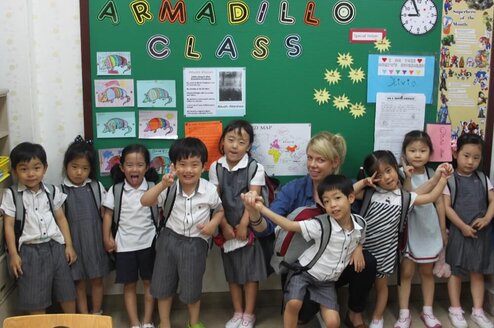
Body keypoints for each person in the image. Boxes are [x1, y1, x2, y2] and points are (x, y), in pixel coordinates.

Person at [247, 131, 376, 328]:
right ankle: (317, 303)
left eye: (320, 160)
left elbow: (357, 224)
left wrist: (358, 246)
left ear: (334, 162)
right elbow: (268, 229)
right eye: (309, 158)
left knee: (367, 261)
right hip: (303, 267)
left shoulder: (347, 188)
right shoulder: (294, 189)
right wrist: (255, 213)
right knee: (301, 315)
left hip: (336, 264)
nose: (312, 165)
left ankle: (354, 314)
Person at [242, 174, 365, 328]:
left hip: (326, 281)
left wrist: (358, 247)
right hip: (304, 272)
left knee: (334, 322)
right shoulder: (320, 225)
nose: (332, 205)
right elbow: (288, 225)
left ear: (351, 198)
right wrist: (261, 209)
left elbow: (360, 236)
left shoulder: (360, 223)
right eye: (326, 201)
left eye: (337, 198)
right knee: (293, 303)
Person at [353, 150, 453, 328]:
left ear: (396, 169)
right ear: (373, 177)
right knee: (364, 284)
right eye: (379, 174)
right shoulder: (369, 194)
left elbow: (430, 196)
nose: (386, 177)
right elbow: (347, 194)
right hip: (363, 252)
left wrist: (442, 178)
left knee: (381, 287)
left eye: (389, 170)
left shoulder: (405, 197)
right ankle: (357, 312)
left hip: (385, 254)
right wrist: (364, 182)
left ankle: (377, 317)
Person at [141, 137, 224, 328]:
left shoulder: (209, 190)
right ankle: (165, 323)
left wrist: (213, 225)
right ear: (174, 166)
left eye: (194, 165)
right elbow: (145, 201)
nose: (188, 170)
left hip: (196, 243)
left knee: (192, 288)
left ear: (203, 167)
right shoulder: (168, 187)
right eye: (183, 164)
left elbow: (220, 210)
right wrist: (162, 185)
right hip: (168, 241)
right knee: (162, 285)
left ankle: (193, 323)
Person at [1, 142, 77, 313]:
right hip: (29, 251)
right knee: (34, 298)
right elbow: (9, 225)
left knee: (67, 292)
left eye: (36, 168)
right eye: (24, 169)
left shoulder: (52, 191)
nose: (31, 174)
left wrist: (69, 245)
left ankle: (71, 323)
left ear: (45, 168)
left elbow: (61, 219)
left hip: (56, 247)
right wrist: (13, 254)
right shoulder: (11, 195)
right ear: (14, 171)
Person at [208, 120, 267, 328]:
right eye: (230, 140)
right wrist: (224, 225)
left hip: (248, 227)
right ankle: (237, 312)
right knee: (232, 273)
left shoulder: (255, 168)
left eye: (241, 142)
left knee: (251, 274)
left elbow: (254, 198)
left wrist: (243, 225)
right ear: (223, 141)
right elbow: (214, 200)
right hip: (226, 227)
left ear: (249, 146)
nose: (234, 146)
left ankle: (249, 314)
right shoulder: (216, 167)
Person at [102, 144, 158, 328]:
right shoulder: (116, 190)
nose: (135, 169)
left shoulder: (153, 188)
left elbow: (163, 212)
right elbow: (108, 215)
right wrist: (107, 238)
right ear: (122, 167)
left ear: (147, 167)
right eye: (130, 165)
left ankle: (147, 321)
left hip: (149, 243)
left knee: (150, 283)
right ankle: (134, 323)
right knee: (129, 285)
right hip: (124, 245)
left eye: (140, 164)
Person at [394, 131, 447, 328]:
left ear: (430, 153)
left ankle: (428, 312)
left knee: (427, 272)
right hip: (409, 229)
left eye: (423, 150)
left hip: (428, 228)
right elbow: (407, 197)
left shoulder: (433, 173)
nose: (417, 155)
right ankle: (404, 314)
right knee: (406, 272)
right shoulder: (399, 173)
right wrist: (406, 176)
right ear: (404, 152)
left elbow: (440, 203)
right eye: (412, 150)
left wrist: (442, 229)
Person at [443, 133, 494, 328]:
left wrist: (487, 218)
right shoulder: (450, 179)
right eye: (466, 156)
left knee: (477, 272)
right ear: (455, 154)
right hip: (458, 232)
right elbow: (446, 208)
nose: (470, 161)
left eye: (476, 157)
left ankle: (478, 311)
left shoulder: (482, 178)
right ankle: (455, 310)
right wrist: (463, 227)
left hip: (480, 234)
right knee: (455, 271)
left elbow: (492, 200)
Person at [61, 135, 111, 314]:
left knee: (97, 280)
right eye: (74, 167)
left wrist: (108, 237)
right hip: (72, 243)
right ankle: (83, 318)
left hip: (94, 241)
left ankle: (96, 314)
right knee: (78, 281)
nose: (79, 172)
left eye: (84, 168)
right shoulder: (59, 191)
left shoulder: (96, 187)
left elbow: (106, 214)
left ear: (91, 169)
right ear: (66, 166)